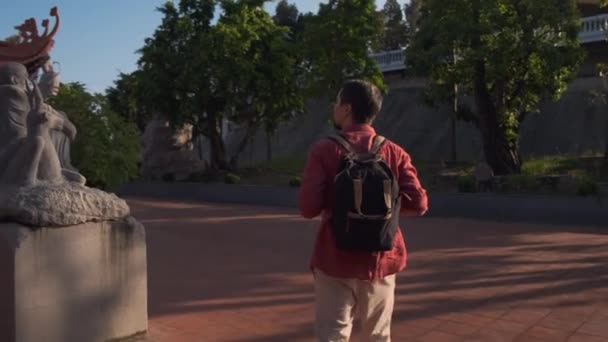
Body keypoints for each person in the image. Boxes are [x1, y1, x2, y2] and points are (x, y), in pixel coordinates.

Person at [298, 80, 428, 342]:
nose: (334, 108)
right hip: (382, 256)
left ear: (346, 109)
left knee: (332, 335)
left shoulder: (324, 149)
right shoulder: (394, 152)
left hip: (334, 256)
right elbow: (419, 204)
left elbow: (308, 208)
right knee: (378, 335)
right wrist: (384, 213)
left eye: (336, 103)